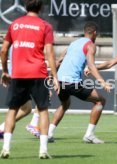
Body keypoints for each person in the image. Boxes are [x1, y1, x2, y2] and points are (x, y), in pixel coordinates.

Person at [0, 0, 59, 159]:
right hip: (38, 73)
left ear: (25, 7)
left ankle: (5, 148)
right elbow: (50, 53)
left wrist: (5, 71)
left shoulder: (14, 24)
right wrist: (54, 76)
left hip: (18, 73)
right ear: (41, 7)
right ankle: (43, 150)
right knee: (43, 110)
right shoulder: (45, 25)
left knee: (12, 110)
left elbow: (4, 50)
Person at [46, 22, 111, 144]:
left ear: (84, 31)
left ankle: (49, 134)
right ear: (95, 33)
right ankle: (89, 135)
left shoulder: (73, 43)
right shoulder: (90, 45)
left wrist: (51, 78)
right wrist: (103, 82)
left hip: (60, 80)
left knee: (65, 104)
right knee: (100, 101)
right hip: (72, 82)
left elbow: (58, 61)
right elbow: (91, 66)